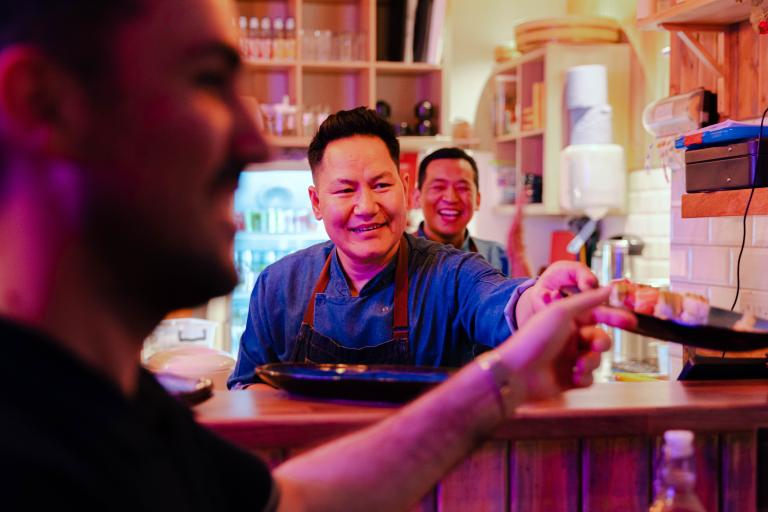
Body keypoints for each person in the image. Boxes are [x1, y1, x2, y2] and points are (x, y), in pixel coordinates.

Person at [0, 0, 635, 509]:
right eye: (205, 80)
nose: (252, 141)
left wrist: (522, 347)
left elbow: (294, 500)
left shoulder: (132, 415)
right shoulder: (33, 438)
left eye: (381, 184)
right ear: (44, 105)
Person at [228, 107, 599, 388]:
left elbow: (506, 301)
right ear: (316, 202)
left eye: (381, 185)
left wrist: (543, 299)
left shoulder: (452, 275)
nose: (366, 206)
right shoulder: (279, 285)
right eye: (344, 190)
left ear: (405, 187)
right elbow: (245, 391)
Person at [414, 147, 509, 275]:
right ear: (417, 197)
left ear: (478, 200)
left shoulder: (499, 257)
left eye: (462, 188)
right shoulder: (394, 256)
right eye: (438, 187)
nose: (451, 198)